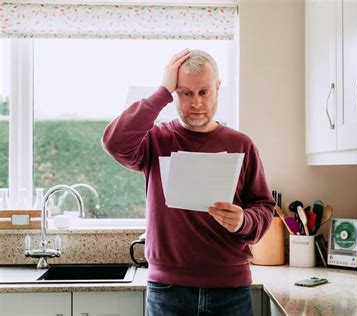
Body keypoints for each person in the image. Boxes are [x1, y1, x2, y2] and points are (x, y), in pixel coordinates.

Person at [102, 48, 275, 315]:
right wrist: (161, 91)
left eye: (204, 92)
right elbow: (114, 142)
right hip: (168, 291)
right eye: (185, 93)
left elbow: (263, 207)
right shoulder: (156, 140)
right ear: (174, 93)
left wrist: (243, 220)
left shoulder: (242, 145)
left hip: (230, 290)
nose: (196, 103)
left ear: (218, 88)